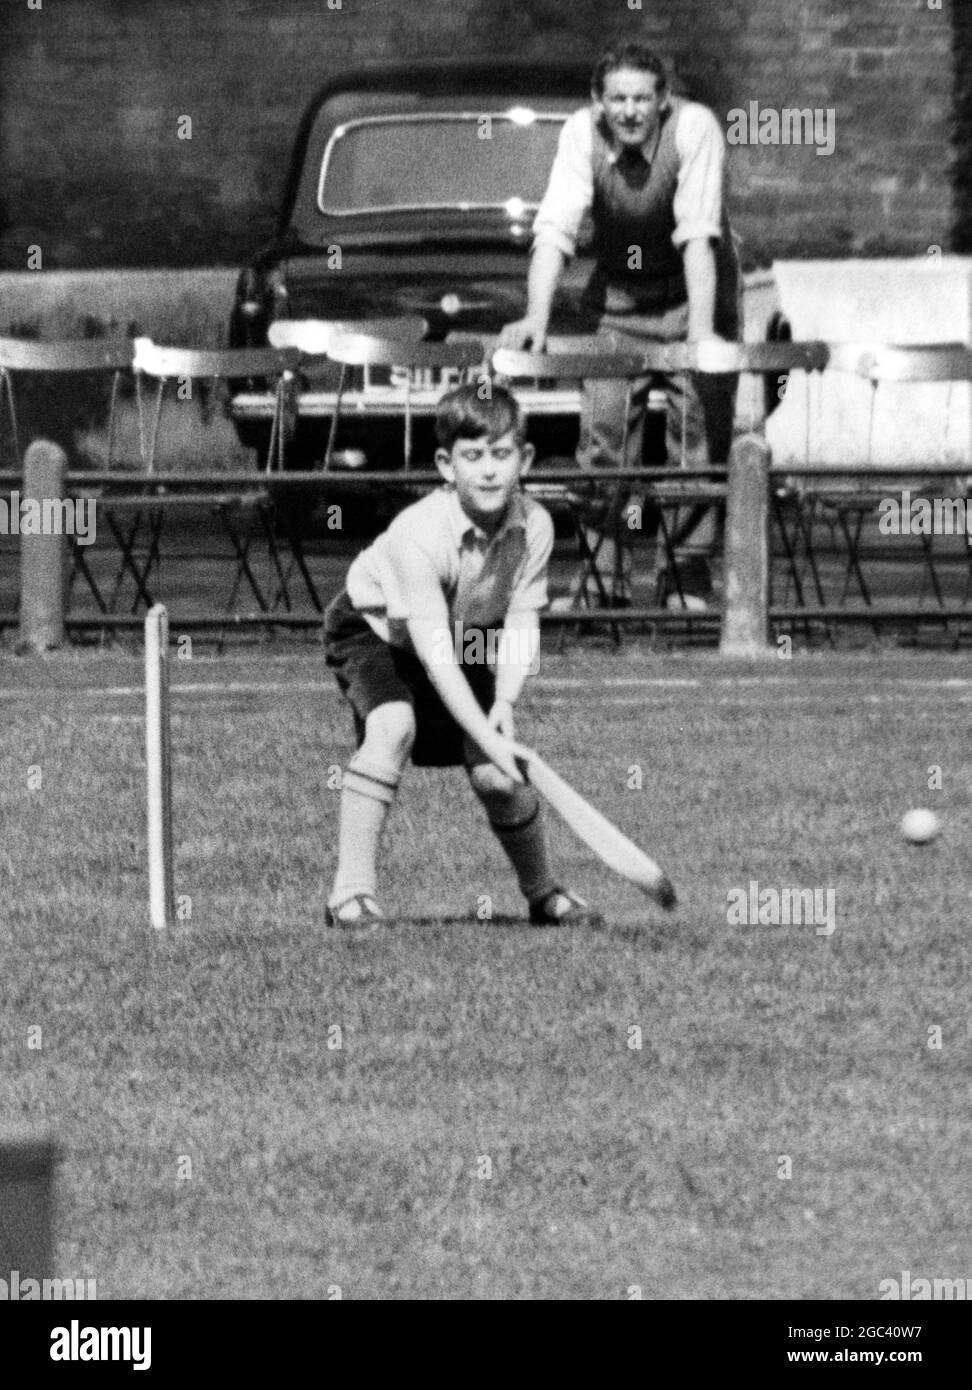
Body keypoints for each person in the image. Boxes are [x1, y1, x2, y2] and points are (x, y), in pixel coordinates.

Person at [322, 382, 598, 927]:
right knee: (393, 726)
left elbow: (520, 619)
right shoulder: (417, 535)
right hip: (378, 629)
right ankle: (349, 897)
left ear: (526, 459)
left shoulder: (535, 525)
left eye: (502, 454)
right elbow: (434, 657)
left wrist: (505, 705)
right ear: (447, 465)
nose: (490, 470)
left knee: (496, 773)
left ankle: (545, 895)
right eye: (473, 457)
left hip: (465, 632)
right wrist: (486, 728)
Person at [499, 42, 741, 610]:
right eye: (617, 99)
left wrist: (701, 334)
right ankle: (600, 580)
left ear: (662, 101)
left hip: (694, 295)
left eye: (641, 98)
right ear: (598, 103)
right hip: (618, 303)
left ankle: (685, 579)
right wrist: (536, 313)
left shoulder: (696, 129)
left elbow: (699, 235)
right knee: (604, 440)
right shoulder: (581, 134)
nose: (629, 111)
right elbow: (556, 228)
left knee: (696, 441)